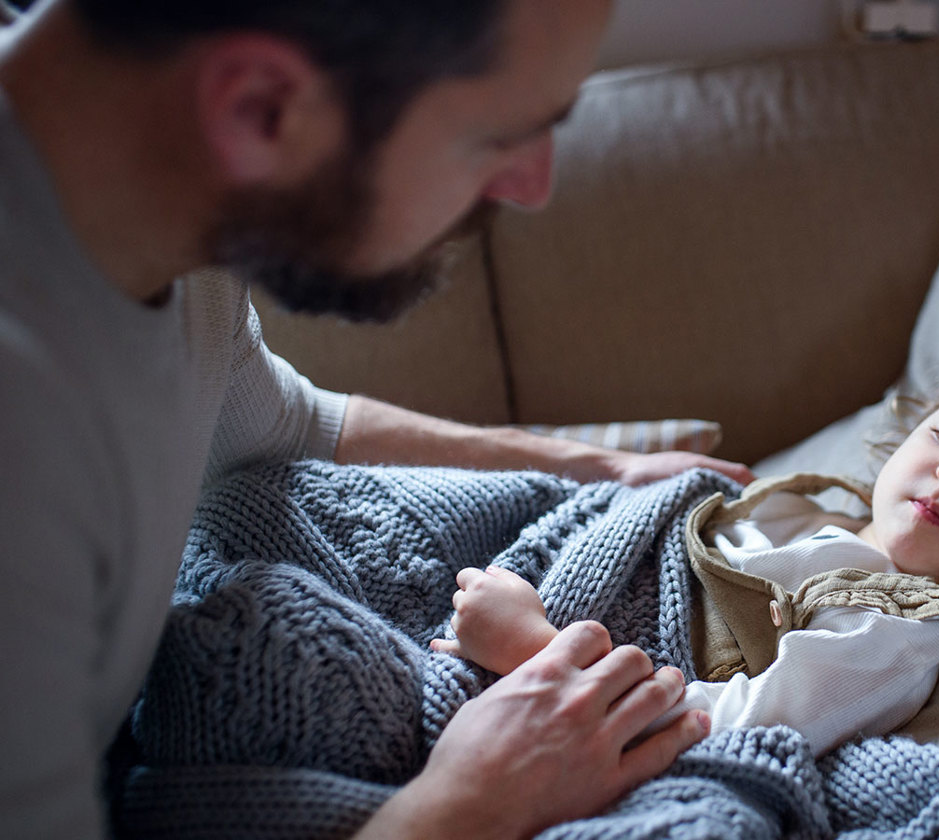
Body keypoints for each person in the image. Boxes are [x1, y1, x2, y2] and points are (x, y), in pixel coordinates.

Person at [0, 0, 755, 837]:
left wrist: (597, 467)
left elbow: (285, 422)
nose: (532, 188)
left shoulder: (159, 214)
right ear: (259, 109)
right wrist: (471, 801)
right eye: (500, 135)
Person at [432, 321, 939, 757]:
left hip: (557, 670)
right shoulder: (806, 512)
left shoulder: (895, 631)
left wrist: (535, 649)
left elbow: (733, 731)